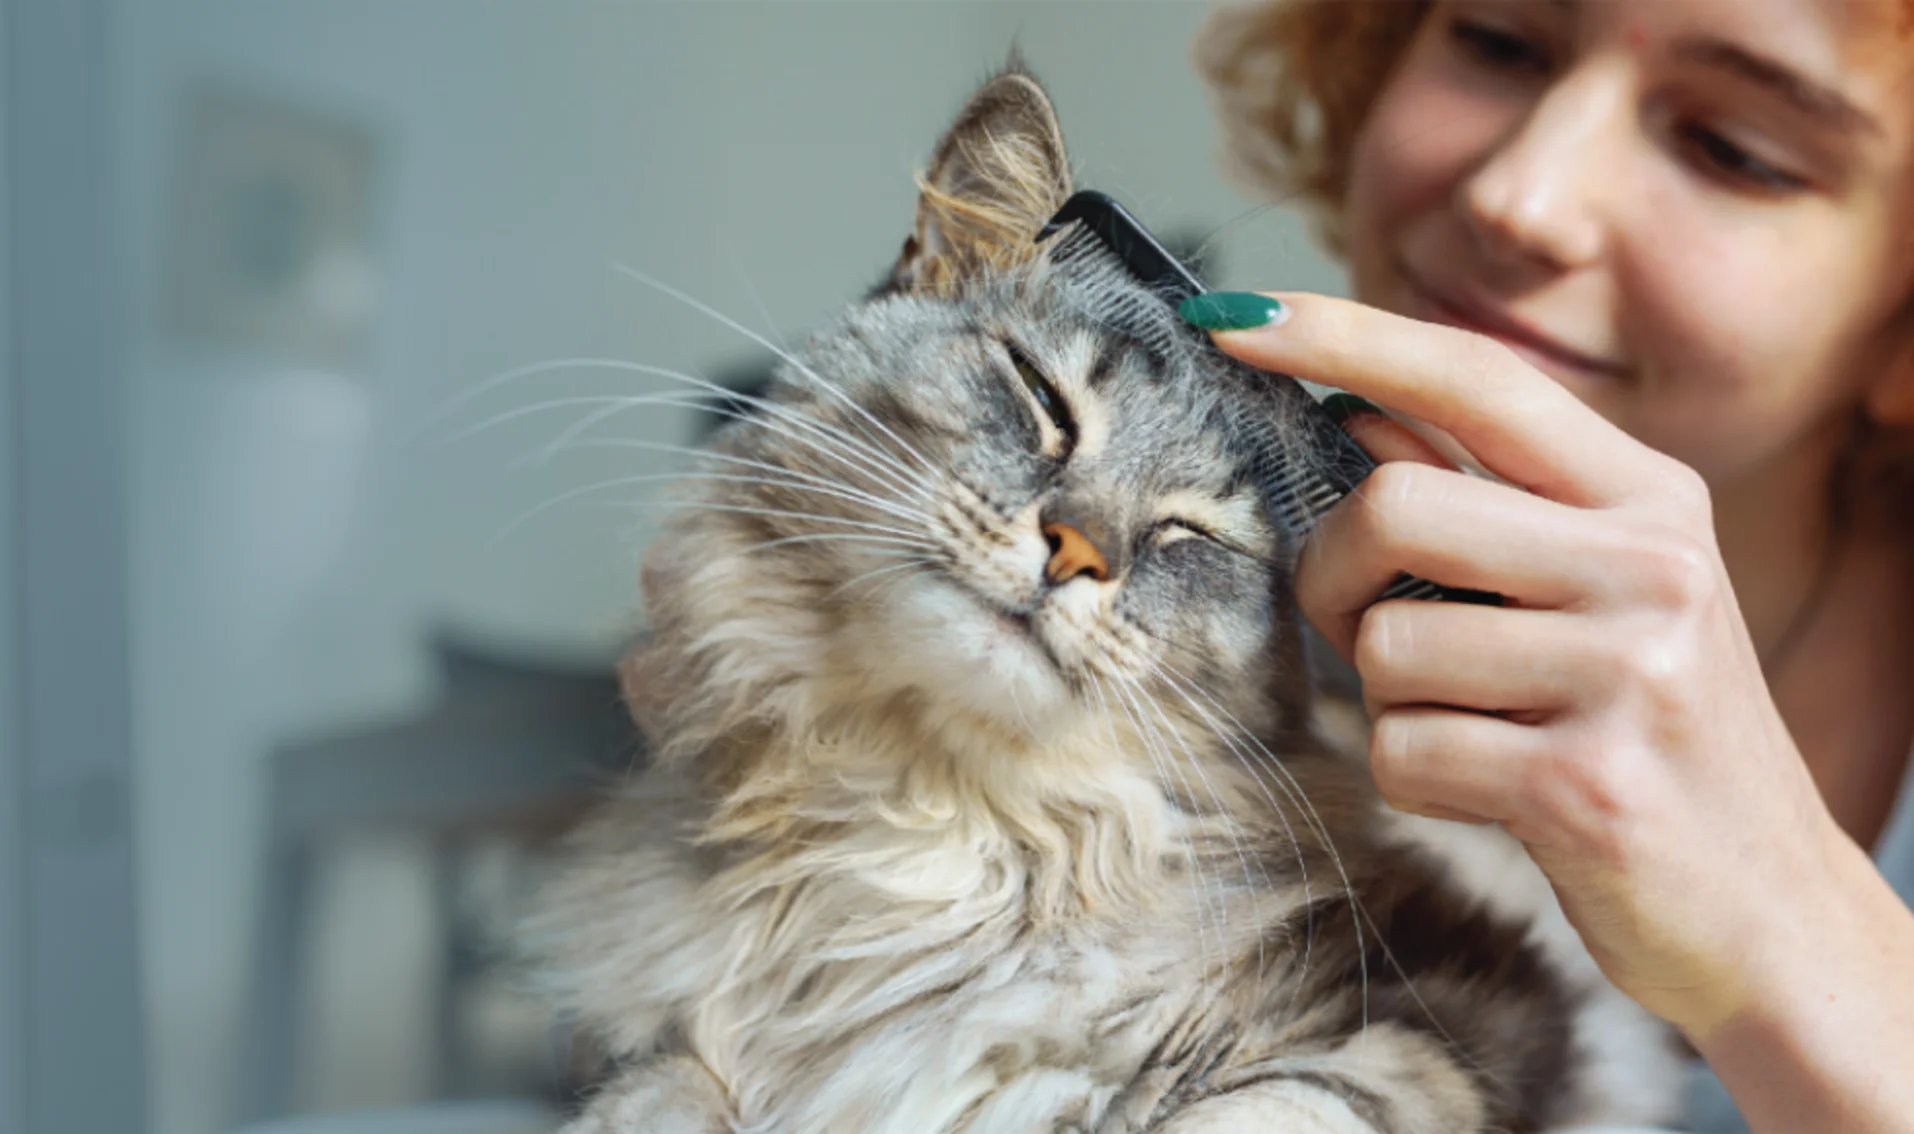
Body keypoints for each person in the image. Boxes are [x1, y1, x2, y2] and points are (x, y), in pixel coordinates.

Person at [623, 2, 1914, 1129]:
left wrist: (1790, 925)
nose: (1519, 196)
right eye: (1498, 39)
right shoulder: (1259, 633)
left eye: (1733, 148)